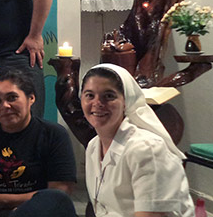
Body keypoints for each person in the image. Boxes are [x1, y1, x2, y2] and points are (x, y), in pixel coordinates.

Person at [81, 64, 194, 216]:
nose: (97, 103)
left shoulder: (147, 148)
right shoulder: (93, 147)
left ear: (126, 101)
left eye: (109, 96)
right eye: (89, 95)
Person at [0, 71, 77, 217]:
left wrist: (1, 200)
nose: (5, 106)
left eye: (12, 98)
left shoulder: (53, 134)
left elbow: (59, 193)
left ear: (31, 98)